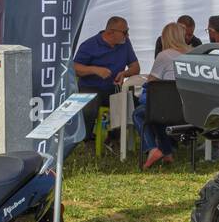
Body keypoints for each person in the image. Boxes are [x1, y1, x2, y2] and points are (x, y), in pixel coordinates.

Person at [133, 22, 191, 168]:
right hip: (189, 109)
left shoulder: (164, 56)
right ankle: (167, 153)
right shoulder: (193, 54)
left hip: (167, 108)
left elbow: (152, 81)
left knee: (139, 114)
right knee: (157, 114)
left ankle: (152, 149)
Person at [73, 16, 140, 136]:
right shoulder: (89, 45)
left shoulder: (125, 44)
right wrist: (94, 70)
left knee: (133, 101)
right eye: (125, 32)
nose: (128, 35)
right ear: (110, 32)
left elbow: (136, 67)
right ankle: (87, 138)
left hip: (113, 88)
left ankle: (117, 138)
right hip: (90, 87)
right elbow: (74, 68)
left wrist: (124, 73)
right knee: (89, 107)